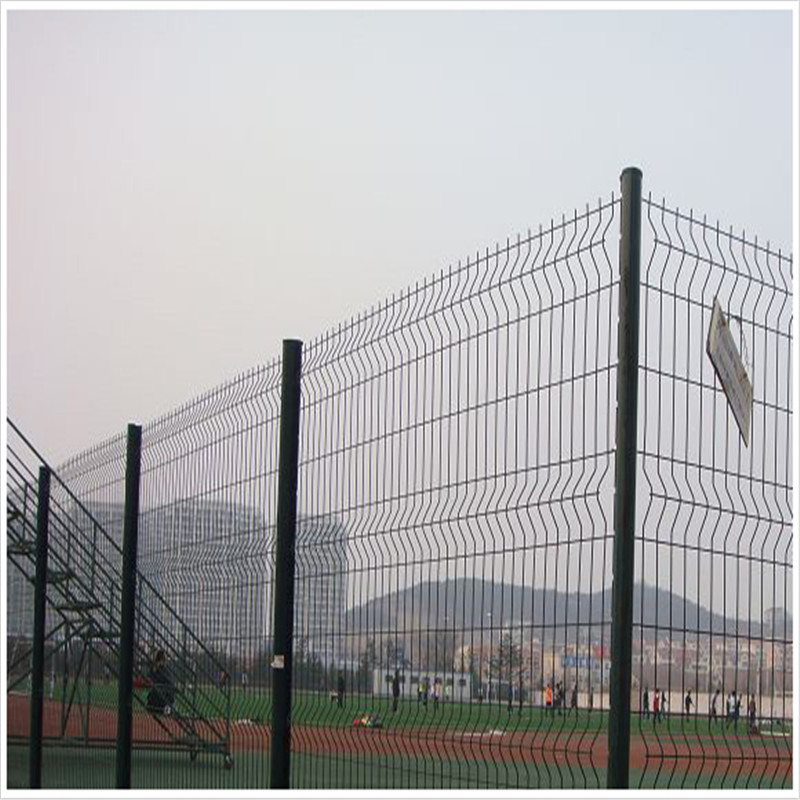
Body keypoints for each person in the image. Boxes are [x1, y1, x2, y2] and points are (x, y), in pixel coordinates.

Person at [147, 649, 175, 716]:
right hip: (159, 693)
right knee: (152, 696)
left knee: (156, 694)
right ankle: (164, 708)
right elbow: (150, 678)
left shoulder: (164, 669)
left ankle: (167, 708)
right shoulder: (155, 669)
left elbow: (166, 682)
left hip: (165, 694)